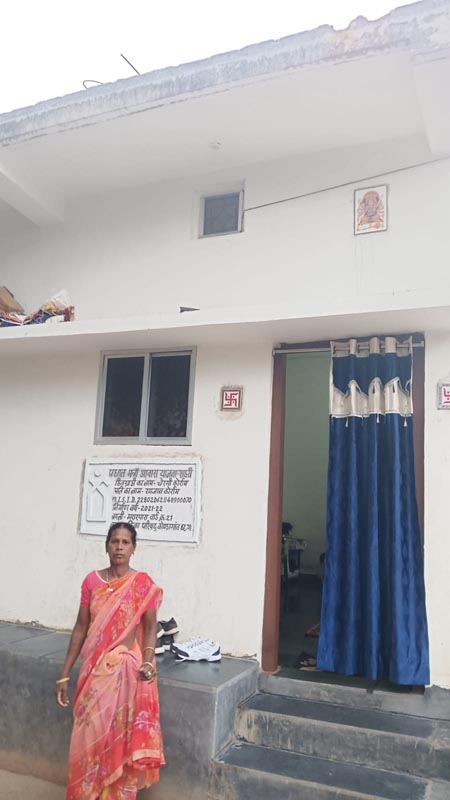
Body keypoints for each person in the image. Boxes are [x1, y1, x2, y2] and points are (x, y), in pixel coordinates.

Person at [55, 521, 165, 799]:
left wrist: (148, 660)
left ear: (133, 548)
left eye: (125, 542)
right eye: (114, 541)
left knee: (120, 737)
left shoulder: (142, 584)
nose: (119, 547)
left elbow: (150, 627)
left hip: (127, 673)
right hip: (94, 674)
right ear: (106, 546)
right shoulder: (91, 582)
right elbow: (81, 628)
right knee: (88, 734)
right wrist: (64, 674)